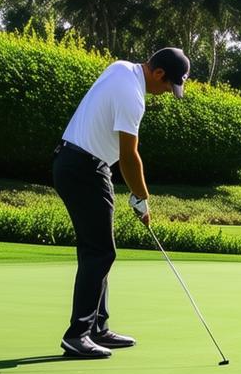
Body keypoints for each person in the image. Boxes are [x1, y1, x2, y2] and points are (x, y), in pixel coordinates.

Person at [52, 47, 190, 358]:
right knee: (100, 251)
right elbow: (129, 156)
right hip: (83, 168)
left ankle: (98, 328)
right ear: (157, 74)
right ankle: (78, 334)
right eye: (169, 85)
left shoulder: (120, 68)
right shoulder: (134, 97)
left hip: (77, 163)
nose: (167, 92)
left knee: (97, 248)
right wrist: (142, 197)